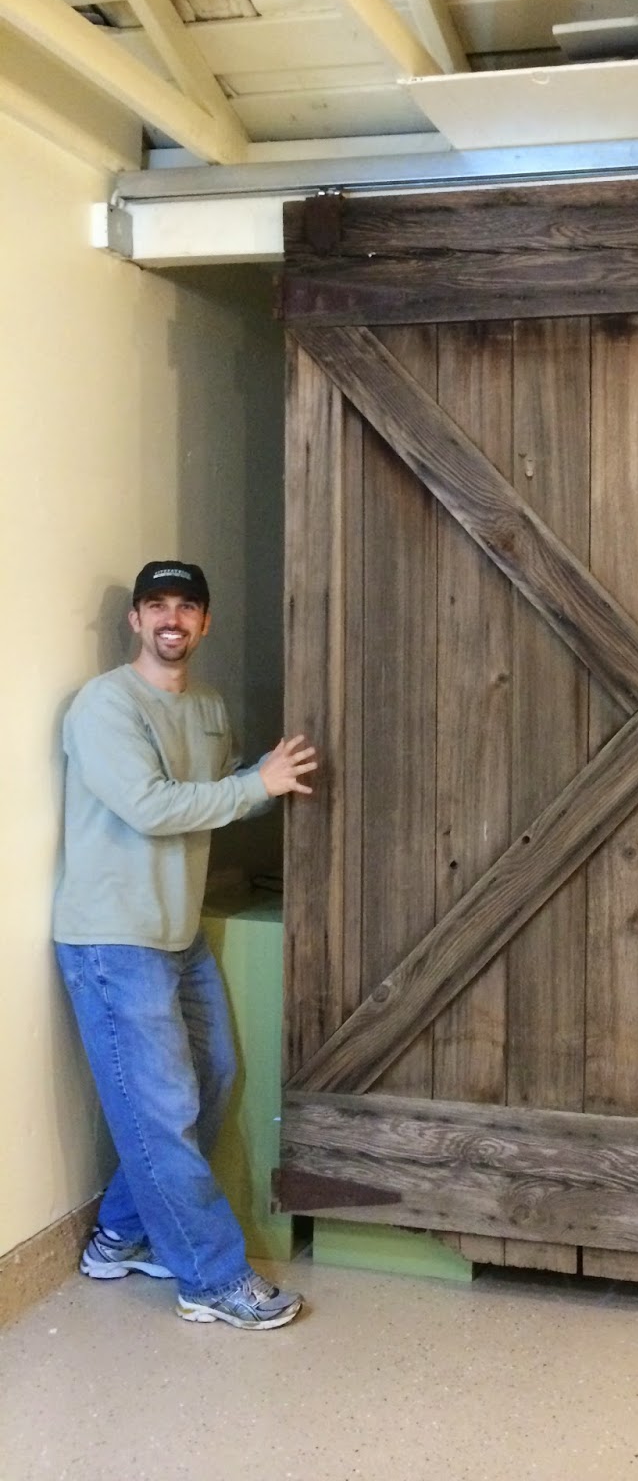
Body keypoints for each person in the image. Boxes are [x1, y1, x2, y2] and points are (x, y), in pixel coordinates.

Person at [52, 560, 318, 1330]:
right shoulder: (103, 705)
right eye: (157, 605)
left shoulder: (206, 703)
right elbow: (150, 807)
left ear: (205, 624)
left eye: (188, 607)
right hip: (113, 939)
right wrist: (256, 786)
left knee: (213, 1077)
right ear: (135, 620)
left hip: (176, 929)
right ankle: (211, 1278)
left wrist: (268, 778)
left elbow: (220, 797)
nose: (173, 618)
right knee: (162, 1108)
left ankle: (119, 1236)